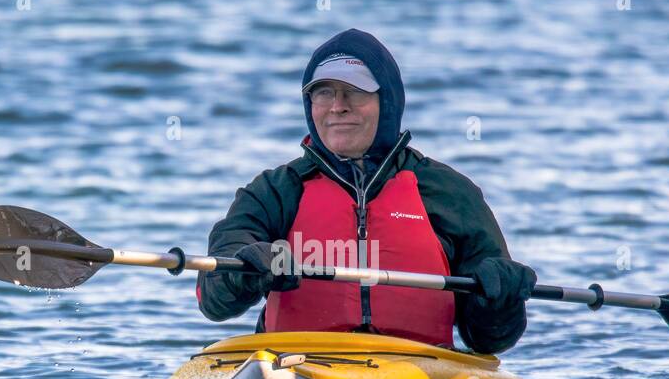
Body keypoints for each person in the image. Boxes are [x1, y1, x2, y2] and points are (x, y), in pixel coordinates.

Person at [196, 28, 536, 353]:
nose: (337, 106)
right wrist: (246, 267)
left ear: (386, 102)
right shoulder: (274, 190)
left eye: (354, 91)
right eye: (324, 92)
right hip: (295, 371)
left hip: (419, 371)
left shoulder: (450, 193)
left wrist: (499, 299)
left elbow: (491, 339)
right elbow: (213, 301)